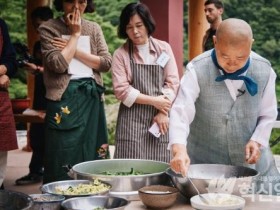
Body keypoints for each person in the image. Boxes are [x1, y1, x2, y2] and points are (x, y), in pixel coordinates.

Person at [169, 18, 280, 195]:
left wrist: (257, 140)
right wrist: (179, 149)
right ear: (215, 42)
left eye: (240, 58)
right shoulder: (197, 68)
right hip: (206, 170)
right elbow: (181, 111)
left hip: (254, 170)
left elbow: (268, 114)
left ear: (251, 44)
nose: (232, 63)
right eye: (225, 56)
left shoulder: (265, 70)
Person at [38, 0, 112, 183]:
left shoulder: (94, 28)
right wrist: (75, 34)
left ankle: (96, 191)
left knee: (94, 147)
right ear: (61, 3)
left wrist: (74, 50)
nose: (77, 7)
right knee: (62, 148)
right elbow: (57, 64)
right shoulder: (49, 28)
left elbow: (106, 63)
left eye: (82, 1)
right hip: (63, 97)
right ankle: (60, 194)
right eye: (71, 1)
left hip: (91, 95)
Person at [112, 3, 180, 162]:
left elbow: (173, 82)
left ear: (147, 24)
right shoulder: (120, 54)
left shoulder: (164, 49)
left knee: (160, 166)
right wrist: (154, 101)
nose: (135, 31)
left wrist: (162, 111)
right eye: (129, 27)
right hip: (131, 122)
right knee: (130, 168)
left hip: (159, 119)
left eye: (139, 25)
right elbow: (121, 91)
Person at [15, 6, 53, 185]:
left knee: (51, 138)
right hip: (39, 96)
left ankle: (49, 172)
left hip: (53, 97)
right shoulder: (38, 44)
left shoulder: (58, 43)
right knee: (37, 137)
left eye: (39, 24)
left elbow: (60, 71)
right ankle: (36, 171)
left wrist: (37, 68)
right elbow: (39, 67)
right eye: (34, 25)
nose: (37, 29)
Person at [0, 18, 18, 189]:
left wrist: (5, 70)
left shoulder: (0, 24)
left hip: (0, 97)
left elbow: (11, 59)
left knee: (0, 150)